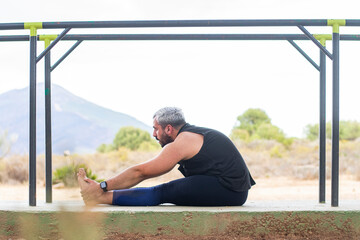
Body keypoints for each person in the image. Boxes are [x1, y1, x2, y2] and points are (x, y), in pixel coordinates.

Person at [77, 107, 255, 206]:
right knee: (165, 191)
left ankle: (99, 197)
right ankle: (99, 196)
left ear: (168, 129)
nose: (154, 134)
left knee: (161, 192)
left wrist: (102, 186)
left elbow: (141, 172)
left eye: (156, 129)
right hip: (231, 189)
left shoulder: (185, 140)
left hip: (230, 191)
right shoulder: (192, 135)